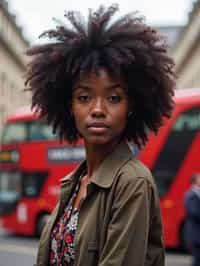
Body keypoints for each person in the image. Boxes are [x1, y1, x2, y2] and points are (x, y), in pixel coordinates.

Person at [25, 4, 176, 266]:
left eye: (114, 98)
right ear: (69, 106)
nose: (97, 109)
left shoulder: (132, 182)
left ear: (131, 106)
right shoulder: (74, 182)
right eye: (84, 97)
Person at [184, 174, 200, 266]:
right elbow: (194, 212)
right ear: (195, 181)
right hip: (196, 236)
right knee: (197, 260)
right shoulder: (191, 195)